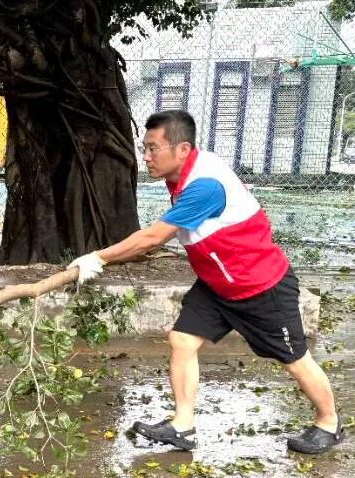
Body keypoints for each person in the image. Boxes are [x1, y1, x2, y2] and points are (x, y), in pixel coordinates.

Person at [68, 109, 343, 454]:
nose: (146, 157)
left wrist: (99, 257)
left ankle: (329, 423)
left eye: (153, 149)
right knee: (182, 339)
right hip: (218, 285)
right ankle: (182, 426)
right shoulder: (184, 173)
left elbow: (154, 238)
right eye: (144, 148)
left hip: (259, 286)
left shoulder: (204, 186)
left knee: (294, 359)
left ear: (182, 149)